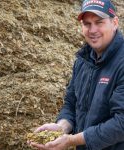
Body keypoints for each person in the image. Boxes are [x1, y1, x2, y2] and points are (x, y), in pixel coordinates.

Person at [28, 0, 124, 149]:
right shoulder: (83, 60)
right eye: (87, 24)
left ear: (115, 22)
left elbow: (121, 123)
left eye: (99, 22)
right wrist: (62, 127)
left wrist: (71, 141)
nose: (92, 30)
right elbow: (71, 103)